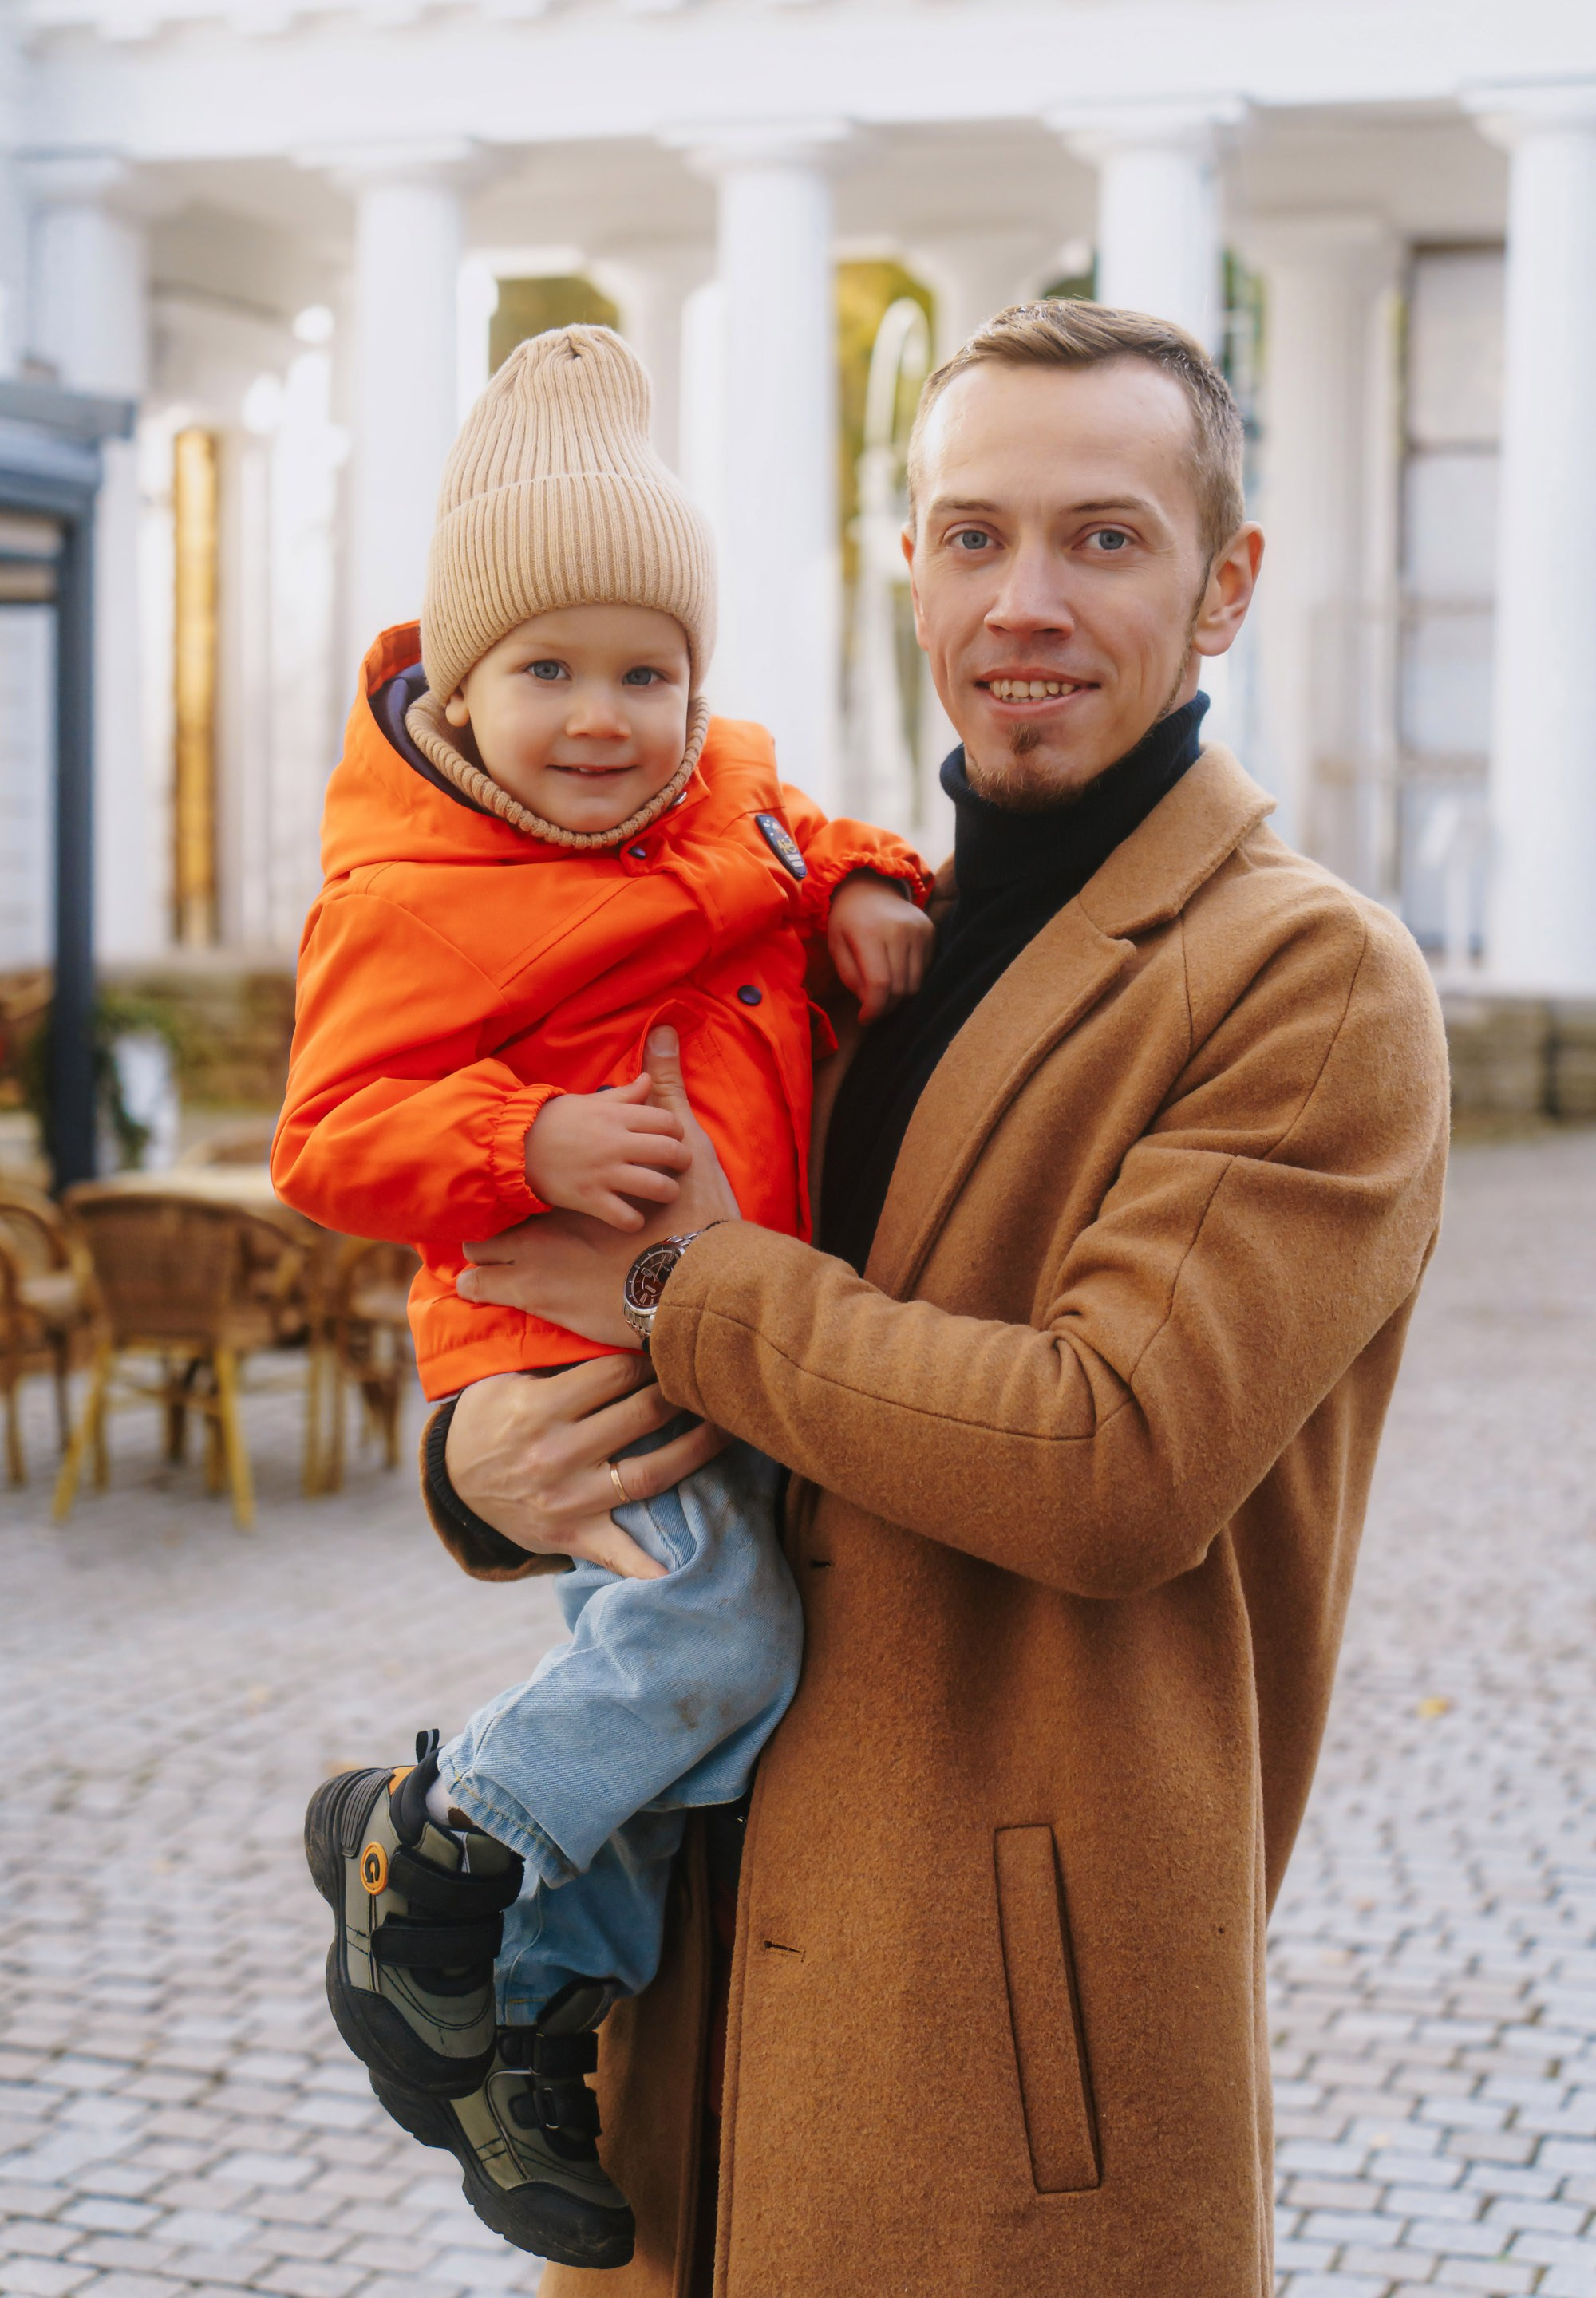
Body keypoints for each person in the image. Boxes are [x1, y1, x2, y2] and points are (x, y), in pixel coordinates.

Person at [427, 300, 1452, 2297]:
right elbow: (606, 1339)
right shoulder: (819, 942)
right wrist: (480, 1465)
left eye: (1104, 537)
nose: (1025, 603)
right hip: (691, 2016)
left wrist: (678, 1284)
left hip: (997, 2080)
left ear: (1225, 582)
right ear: (904, 563)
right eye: (970, 535)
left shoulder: (1311, 985)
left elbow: (1112, 1458)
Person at [270, 326, 934, 2272]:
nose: (599, 716)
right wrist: (522, 1143)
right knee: (716, 1642)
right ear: (457, 691)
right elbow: (324, 1136)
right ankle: (438, 1846)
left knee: (691, 1728)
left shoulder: (723, 808)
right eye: (546, 670)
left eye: (647, 672)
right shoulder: (414, 890)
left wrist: (868, 894)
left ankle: (532, 2007)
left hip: (719, 1332)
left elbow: (818, 840)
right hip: (566, 1353)